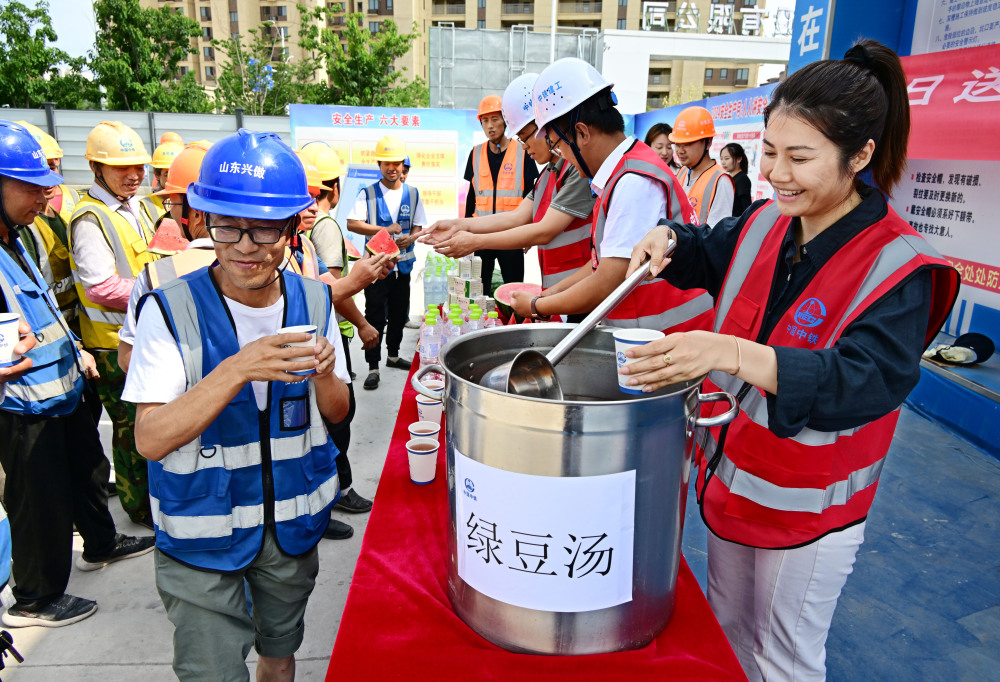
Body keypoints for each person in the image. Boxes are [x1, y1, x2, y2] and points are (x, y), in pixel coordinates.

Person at [622, 40, 960, 681]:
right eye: (770, 152)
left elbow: (864, 380)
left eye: (800, 158)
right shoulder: (768, 222)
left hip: (810, 512)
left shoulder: (900, 266)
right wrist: (669, 235)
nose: (778, 173)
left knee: (783, 657)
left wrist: (729, 352)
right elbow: (707, 246)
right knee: (725, 637)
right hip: (730, 481)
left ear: (860, 156)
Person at [123, 129, 351, 681]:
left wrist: (324, 373)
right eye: (228, 226)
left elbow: (338, 412)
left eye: (264, 228)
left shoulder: (315, 298)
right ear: (202, 221)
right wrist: (236, 370)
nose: (246, 246)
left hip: (290, 533)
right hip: (201, 538)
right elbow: (150, 438)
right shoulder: (168, 310)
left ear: (294, 226)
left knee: (279, 656)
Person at [0, 120, 154, 629]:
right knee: (38, 499)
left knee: (87, 472)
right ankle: (35, 598)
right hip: (22, 401)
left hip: (60, 384)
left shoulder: (14, 238)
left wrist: (73, 349)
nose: (45, 192)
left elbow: (41, 302)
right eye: (28, 184)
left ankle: (101, 542)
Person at [507, 58, 713, 335]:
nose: (561, 156)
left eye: (558, 146)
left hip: (670, 337)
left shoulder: (633, 183)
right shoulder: (621, 172)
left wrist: (535, 306)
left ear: (581, 133)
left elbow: (607, 280)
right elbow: (603, 264)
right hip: (650, 333)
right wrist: (550, 294)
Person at [424, 73, 596, 302]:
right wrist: (458, 224)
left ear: (546, 128)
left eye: (525, 138)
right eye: (485, 120)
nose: (524, 148)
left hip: (579, 290)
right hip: (559, 289)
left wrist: (474, 240)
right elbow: (515, 217)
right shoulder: (548, 173)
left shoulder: (576, 169)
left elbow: (544, 230)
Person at [68, 120, 160, 528]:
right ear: (95, 167)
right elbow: (100, 287)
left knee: (152, 419)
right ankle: (138, 509)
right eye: (121, 167)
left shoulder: (139, 207)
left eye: (137, 166)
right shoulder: (91, 218)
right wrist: (157, 290)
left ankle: (151, 498)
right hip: (110, 346)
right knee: (129, 429)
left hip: (146, 334)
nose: (133, 174)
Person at [117, 141, 217, 373]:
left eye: (172, 202)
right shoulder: (280, 261)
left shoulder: (157, 275)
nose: (169, 211)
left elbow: (129, 358)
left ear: (196, 212)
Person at [347, 135, 426, 391]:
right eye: (386, 163)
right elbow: (352, 223)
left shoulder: (413, 193)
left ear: (403, 164)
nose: (392, 168)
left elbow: (418, 224)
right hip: (376, 267)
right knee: (375, 316)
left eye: (396, 163)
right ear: (379, 164)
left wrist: (410, 237)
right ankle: (373, 367)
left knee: (398, 313)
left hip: (403, 266)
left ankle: (393, 355)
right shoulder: (367, 194)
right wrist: (383, 229)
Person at [464, 94, 540, 292]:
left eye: (495, 119)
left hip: (511, 235)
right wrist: (465, 229)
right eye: (485, 121)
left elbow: (532, 193)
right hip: (481, 234)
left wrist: (529, 231)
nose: (490, 126)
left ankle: (515, 323)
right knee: (478, 291)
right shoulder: (475, 153)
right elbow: (471, 196)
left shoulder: (523, 151)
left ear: (506, 121)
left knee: (514, 290)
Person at [669, 106, 735, 227]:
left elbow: (717, 234)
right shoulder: (683, 172)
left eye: (687, 144)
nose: (680, 151)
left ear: (708, 142)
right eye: (677, 144)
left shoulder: (720, 181)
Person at [140, 140, 182, 224]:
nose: (174, 179)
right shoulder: (145, 205)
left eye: (178, 173)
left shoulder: (189, 202)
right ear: (157, 175)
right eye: (167, 174)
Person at [721, 142, 752, 217]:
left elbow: (746, 208)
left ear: (739, 159)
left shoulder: (742, 180)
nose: (723, 162)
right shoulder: (728, 179)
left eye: (727, 158)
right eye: (721, 159)